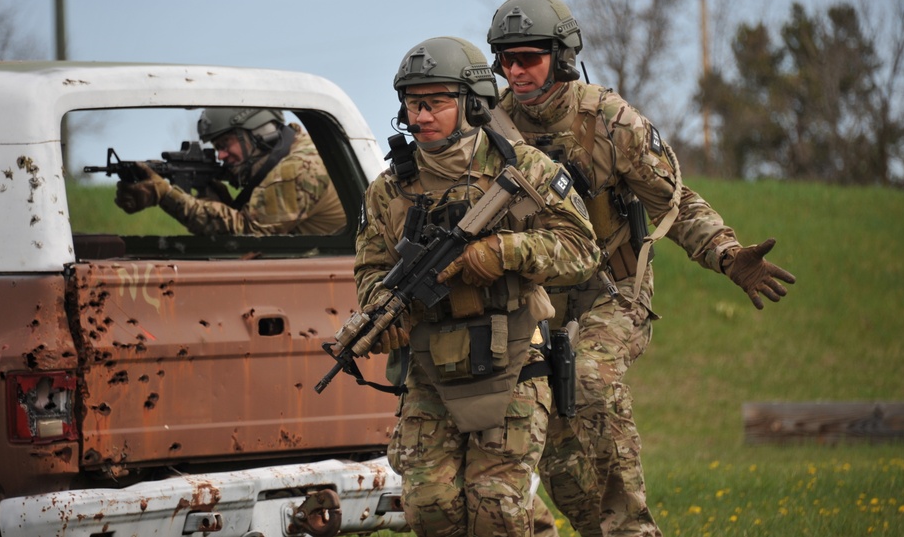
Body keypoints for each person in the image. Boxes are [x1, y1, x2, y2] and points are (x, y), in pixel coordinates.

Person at [486, 0, 797, 537]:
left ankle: (631, 528)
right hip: (534, 299)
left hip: (611, 290)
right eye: (506, 59)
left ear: (562, 56)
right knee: (547, 429)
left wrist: (727, 254)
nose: (515, 71)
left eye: (528, 58)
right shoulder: (490, 127)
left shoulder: (611, 122)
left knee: (588, 379)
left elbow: (675, 203)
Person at [354, 36, 600, 536]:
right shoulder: (387, 190)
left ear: (472, 103)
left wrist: (503, 252)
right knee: (430, 509)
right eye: (412, 104)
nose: (421, 116)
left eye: (435, 102)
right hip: (432, 368)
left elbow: (581, 250)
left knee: (496, 510)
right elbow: (371, 270)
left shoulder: (525, 169)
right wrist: (382, 311)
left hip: (515, 358)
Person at [115, 107, 345, 235]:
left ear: (259, 134)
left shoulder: (299, 169)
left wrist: (166, 195)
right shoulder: (295, 152)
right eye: (217, 148)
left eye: (225, 144)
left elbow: (246, 233)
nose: (221, 156)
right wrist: (220, 201)